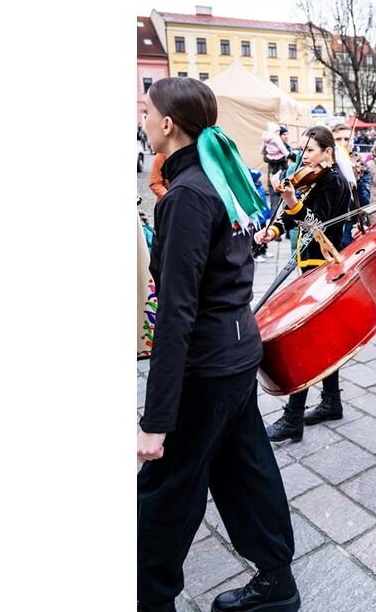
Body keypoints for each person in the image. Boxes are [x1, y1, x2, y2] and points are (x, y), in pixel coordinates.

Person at [137, 77, 298, 612]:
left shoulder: (186, 195)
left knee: (164, 494)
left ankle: (150, 599)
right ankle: (276, 582)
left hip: (206, 364)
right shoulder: (218, 179)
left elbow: (177, 312)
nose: (142, 121)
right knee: (244, 468)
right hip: (233, 352)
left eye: (145, 112)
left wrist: (156, 420)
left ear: (167, 124)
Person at [255, 127, 353, 441]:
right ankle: (331, 401)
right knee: (324, 338)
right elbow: (295, 218)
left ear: (328, 151)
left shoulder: (334, 181)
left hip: (322, 267)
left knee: (308, 340)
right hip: (308, 266)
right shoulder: (314, 178)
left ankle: (293, 417)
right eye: (302, 150)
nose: (303, 157)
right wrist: (272, 231)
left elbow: (315, 223)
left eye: (309, 150)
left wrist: (291, 200)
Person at [262, 125, 291, 206]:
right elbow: (265, 157)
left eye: (287, 134)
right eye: (284, 134)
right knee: (275, 205)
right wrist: (283, 158)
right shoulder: (273, 147)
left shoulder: (286, 147)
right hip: (274, 179)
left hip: (283, 179)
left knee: (281, 205)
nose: (286, 136)